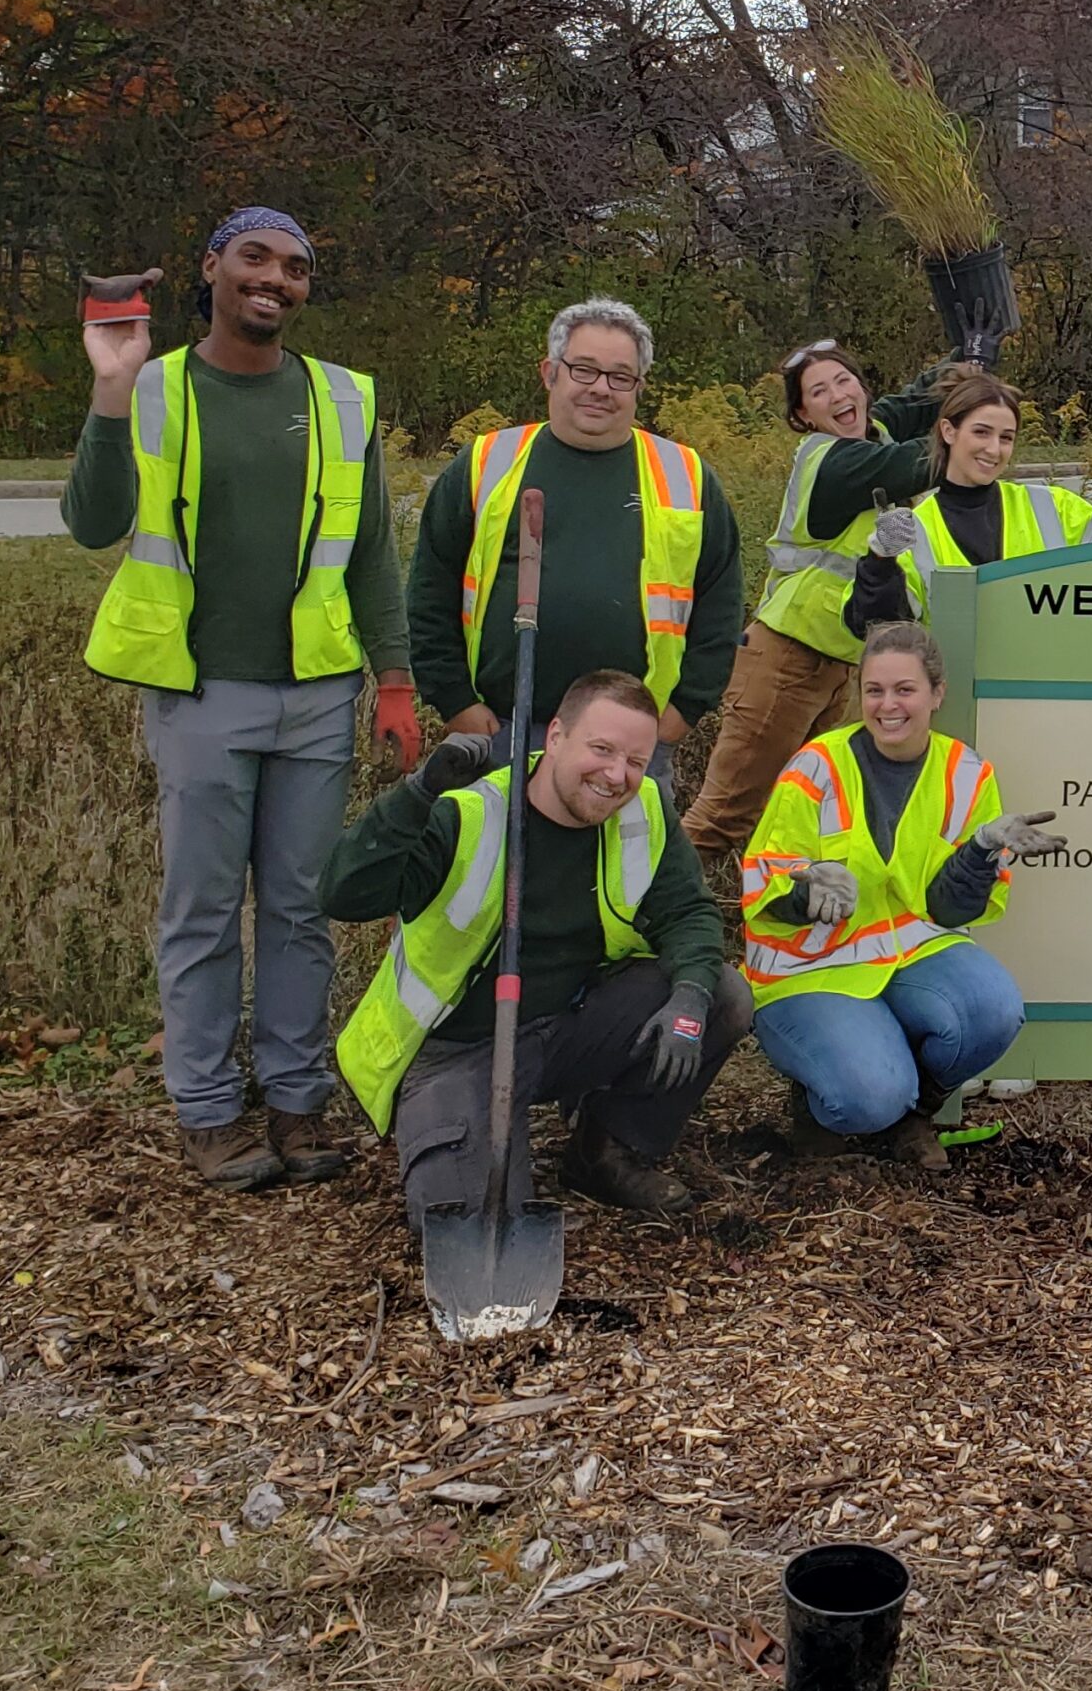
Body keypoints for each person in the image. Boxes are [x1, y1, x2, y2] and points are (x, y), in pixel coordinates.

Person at [67, 209, 418, 1194]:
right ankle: (209, 1111)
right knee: (204, 909)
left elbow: (374, 553)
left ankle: (297, 1100)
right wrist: (108, 387)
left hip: (313, 696)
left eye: (296, 266)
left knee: (303, 908)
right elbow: (92, 522)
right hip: (199, 694)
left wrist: (392, 677)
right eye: (256, 258)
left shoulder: (340, 399)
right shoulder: (157, 388)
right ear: (212, 265)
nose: (276, 279)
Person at [327, 668, 754, 1229]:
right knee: (462, 1218)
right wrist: (417, 794)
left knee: (723, 994)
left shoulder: (643, 809)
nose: (616, 775)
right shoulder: (468, 812)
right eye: (601, 749)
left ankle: (605, 1152)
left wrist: (690, 997)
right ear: (554, 737)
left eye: (634, 759)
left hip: (571, 1025)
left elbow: (687, 911)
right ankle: (473, 1141)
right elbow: (346, 893)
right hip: (463, 1047)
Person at [738, 621, 1060, 1166]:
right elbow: (764, 879)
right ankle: (828, 1099)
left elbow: (949, 909)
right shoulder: (817, 765)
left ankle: (915, 1116)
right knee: (867, 1098)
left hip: (910, 955)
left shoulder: (967, 773)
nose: (888, 705)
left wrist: (980, 851)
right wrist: (804, 890)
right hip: (811, 968)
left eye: (904, 690)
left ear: (937, 694)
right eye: (874, 690)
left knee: (994, 1010)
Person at [407, 299, 745, 805]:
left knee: (622, 883)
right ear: (550, 373)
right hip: (501, 732)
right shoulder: (487, 464)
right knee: (491, 880)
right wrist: (455, 701)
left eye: (620, 376)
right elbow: (430, 591)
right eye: (584, 369)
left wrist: (682, 714)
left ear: (639, 388)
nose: (600, 388)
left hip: (632, 749)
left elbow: (720, 605)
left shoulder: (686, 477)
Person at [682, 340, 968, 858]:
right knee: (722, 819)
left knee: (800, 820)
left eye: (844, 381)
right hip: (785, 661)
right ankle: (628, 922)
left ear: (862, 388)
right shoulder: (833, 461)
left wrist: (969, 357)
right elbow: (913, 464)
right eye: (818, 391)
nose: (837, 394)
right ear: (802, 415)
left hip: (832, 668)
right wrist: (973, 433)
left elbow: (914, 401)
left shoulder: (870, 432)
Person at [845, 372, 1092, 632]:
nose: (994, 449)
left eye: (1006, 437)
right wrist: (880, 561)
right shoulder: (915, 530)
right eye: (981, 432)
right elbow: (878, 624)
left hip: (1046, 688)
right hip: (956, 694)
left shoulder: (1051, 506)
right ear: (948, 431)